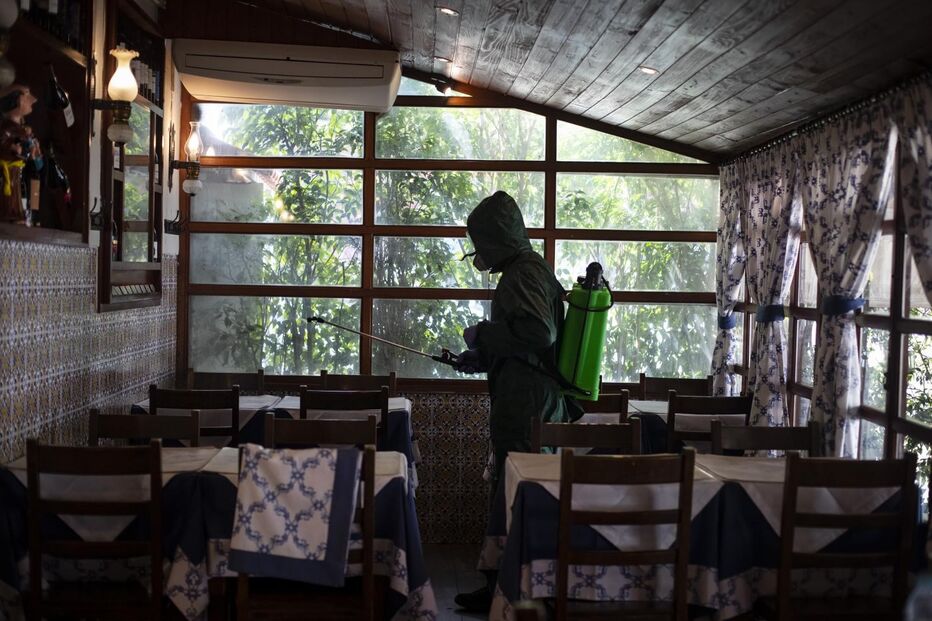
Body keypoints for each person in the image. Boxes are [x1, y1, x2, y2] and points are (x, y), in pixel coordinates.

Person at [453, 190, 567, 612]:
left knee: (518, 494)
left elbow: (539, 334)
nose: (479, 253)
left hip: (527, 406)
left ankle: (514, 590)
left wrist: (482, 334)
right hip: (529, 399)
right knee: (512, 490)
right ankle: (506, 585)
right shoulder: (530, 270)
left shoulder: (523, 273)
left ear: (496, 238)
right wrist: (482, 358)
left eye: (481, 242)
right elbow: (525, 342)